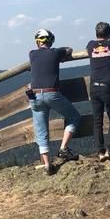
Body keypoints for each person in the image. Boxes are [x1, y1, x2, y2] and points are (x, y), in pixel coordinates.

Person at [27, 28, 81, 175]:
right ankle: (63, 148)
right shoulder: (56, 52)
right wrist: (61, 52)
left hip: (35, 96)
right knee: (74, 117)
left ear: (37, 42)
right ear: (50, 41)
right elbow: (69, 49)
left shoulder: (32, 54)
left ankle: (46, 164)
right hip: (52, 93)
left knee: (41, 130)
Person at [86, 21, 110, 161]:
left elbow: (91, 45)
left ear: (96, 33)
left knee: (97, 121)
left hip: (94, 86)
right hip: (109, 86)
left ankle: (100, 152)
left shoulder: (90, 45)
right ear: (109, 33)